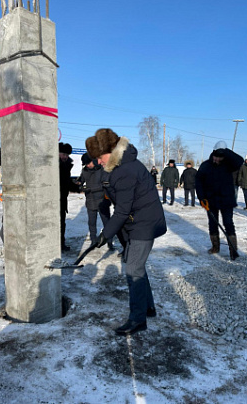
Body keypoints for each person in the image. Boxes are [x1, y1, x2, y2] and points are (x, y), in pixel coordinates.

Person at [86, 128, 167, 336]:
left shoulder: (125, 170)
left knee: (133, 270)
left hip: (144, 224)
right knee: (137, 266)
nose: (100, 162)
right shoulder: (122, 165)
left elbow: (121, 210)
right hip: (137, 222)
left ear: (111, 152)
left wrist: (105, 234)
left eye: (101, 157)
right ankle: (147, 307)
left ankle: (137, 319)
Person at [195, 141, 243, 258]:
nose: (217, 160)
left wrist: (225, 151)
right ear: (213, 154)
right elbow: (198, 182)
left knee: (228, 223)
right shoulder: (205, 165)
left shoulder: (229, 165)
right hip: (210, 201)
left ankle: (233, 250)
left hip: (226, 200)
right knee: (212, 224)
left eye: (220, 158)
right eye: (216, 157)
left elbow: (240, 161)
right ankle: (215, 247)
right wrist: (202, 198)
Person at [79, 152, 114, 250]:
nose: (88, 165)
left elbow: (105, 184)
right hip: (90, 200)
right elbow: (81, 180)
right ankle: (93, 241)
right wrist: (79, 184)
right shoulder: (85, 170)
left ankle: (109, 241)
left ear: (93, 161)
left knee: (106, 222)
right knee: (91, 222)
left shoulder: (102, 169)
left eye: (88, 163)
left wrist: (90, 189)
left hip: (102, 200)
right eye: (86, 164)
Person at [59, 142, 81, 251]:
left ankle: (61, 244)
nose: (65, 157)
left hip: (62, 199)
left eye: (67, 155)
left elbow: (66, 182)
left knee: (61, 224)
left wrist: (77, 187)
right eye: (63, 154)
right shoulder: (52, 166)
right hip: (51, 200)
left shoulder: (66, 165)